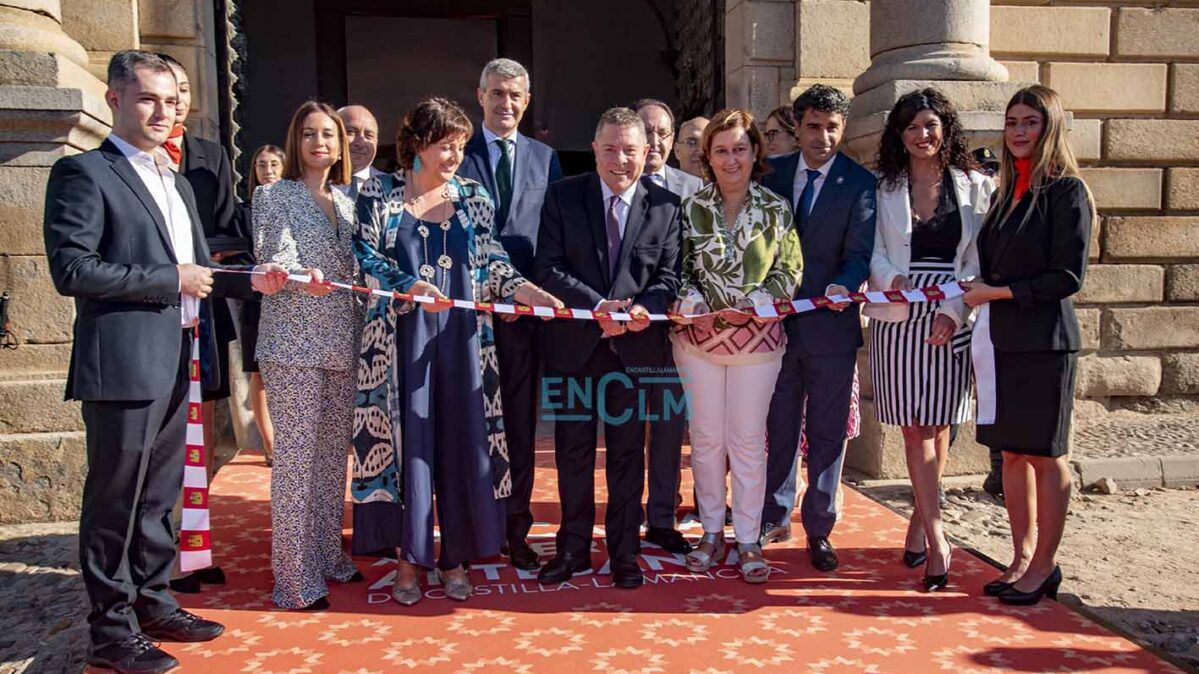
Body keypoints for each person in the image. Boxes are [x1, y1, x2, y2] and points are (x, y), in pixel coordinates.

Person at [43, 50, 286, 674]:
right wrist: (168, 277)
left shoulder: (175, 181)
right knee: (115, 500)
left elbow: (199, 274)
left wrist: (260, 279)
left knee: (160, 495)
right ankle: (110, 629)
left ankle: (154, 600)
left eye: (172, 100)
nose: (163, 110)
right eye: (148, 98)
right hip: (123, 363)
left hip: (183, 355)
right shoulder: (84, 174)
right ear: (114, 100)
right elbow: (73, 270)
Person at [350, 96, 563, 605]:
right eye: (446, 146)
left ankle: (455, 557)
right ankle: (409, 558)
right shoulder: (380, 192)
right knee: (412, 447)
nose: (454, 156)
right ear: (419, 143)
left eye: (461, 147)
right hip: (400, 346)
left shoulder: (473, 195)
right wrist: (408, 286)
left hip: (466, 342)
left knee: (464, 444)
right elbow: (365, 257)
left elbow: (493, 262)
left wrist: (527, 291)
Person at [532, 107, 681, 590]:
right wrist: (598, 306)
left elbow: (669, 277)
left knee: (625, 456)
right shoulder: (562, 196)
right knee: (571, 455)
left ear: (648, 153)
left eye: (631, 150)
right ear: (595, 149)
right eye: (611, 149)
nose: (621, 160)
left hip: (634, 354)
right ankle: (572, 549)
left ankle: (624, 553)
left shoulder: (666, 207)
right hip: (573, 349)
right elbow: (547, 267)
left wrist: (637, 310)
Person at [964, 85, 1094, 606]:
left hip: (1046, 343)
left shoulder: (1068, 192)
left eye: (1030, 122)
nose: (1019, 131)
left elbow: (1067, 276)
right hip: (1002, 341)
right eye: (1013, 121)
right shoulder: (1004, 193)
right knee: (1012, 454)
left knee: (1045, 456)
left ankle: (1045, 566)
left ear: (1051, 127)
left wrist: (992, 293)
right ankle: (1019, 557)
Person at [867, 88, 995, 592]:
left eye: (931, 125)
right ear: (900, 136)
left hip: (951, 309)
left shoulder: (974, 187)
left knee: (940, 426)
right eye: (912, 127)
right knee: (915, 428)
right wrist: (891, 280)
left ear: (945, 129)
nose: (923, 135)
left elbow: (978, 261)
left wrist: (955, 312)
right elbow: (872, 249)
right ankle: (939, 540)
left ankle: (919, 521)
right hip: (898, 314)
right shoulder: (882, 187)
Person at [671, 109, 802, 583]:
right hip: (698, 342)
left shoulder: (775, 208)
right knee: (706, 440)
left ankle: (747, 536)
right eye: (721, 150)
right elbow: (681, 267)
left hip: (758, 343)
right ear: (707, 156)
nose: (731, 159)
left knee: (746, 440)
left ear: (754, 153)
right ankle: (710, 531)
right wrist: (689, 296)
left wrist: (758, 301)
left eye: (740, 149)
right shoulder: (691, 207)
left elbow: (790, 269)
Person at [253, 101, 365, 611]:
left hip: (344, 341)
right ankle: (294, 579)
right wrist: (295, 275)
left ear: (341, 145)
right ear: (295, 142)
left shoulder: (347, 200)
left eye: (329, 135)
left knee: (328, 463)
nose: (320, 143)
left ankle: (326, 555)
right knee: (295, 463)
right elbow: (274, 253)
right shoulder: (275, 194)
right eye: (309, 135)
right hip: (293, 343)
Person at [761, 84, 876, 572]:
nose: (823, 137)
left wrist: (843, 286)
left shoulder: (859, 182)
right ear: (798, 126)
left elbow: (859, 253)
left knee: (828, 434)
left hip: (831, 327)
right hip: (778, 330)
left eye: (832, 128)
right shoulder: (772, 174)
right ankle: (774, 514)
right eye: (813, 126)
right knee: (779, 425)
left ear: (842, 128)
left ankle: (821, 527)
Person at [457, 58, 563, 571]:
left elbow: (554, 237)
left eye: (514, 96)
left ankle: (516, 528)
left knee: (519, 428)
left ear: (527, 99)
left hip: (526, 319)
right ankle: (474, 525)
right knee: (469, 424)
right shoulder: (457, 153)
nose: (505, 104)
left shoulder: (546, 158)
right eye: (496, 94)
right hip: (467, 314)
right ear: (479, 95)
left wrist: (528, 294)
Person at [157, 52, 242, 595]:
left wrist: (201, 260)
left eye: (183, 91)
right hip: (154, 318)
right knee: (163, 443)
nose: (177, 102)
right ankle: (159, 559)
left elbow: (234, 232)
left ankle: (192, 546)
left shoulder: (210, 157)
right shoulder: (112, 163)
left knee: (211, 439)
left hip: (207, 312)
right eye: (165, 92)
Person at [631, 97, 700, 554]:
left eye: (662, 132)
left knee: (670, 427)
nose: (654, 140)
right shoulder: (613, 183)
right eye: (646, 130)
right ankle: (624, 511)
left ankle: (661, 515)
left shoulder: (694, 190)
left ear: (672, 142)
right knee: (627, 426)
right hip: (629, 329)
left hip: (679, 332)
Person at [237, 145, 285, 468]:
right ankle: (270, 445)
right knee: (259, 373)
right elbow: (238, 252)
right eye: (261, 165)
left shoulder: (295, 206)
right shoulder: (243, 211)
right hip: (256, 299)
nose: (267, 170)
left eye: (273, 164)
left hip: (289, 299)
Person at [336, 104, 385, 199]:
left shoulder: (392, 189)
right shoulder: (312, 187)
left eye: (369, 135)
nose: (361, 143)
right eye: (351, 132)